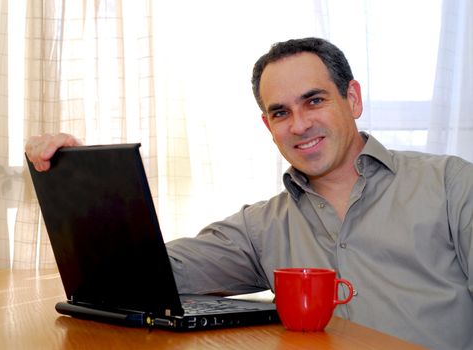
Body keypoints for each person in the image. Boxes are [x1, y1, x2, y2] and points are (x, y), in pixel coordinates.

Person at [25, 38, 473, 350]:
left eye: (314, 101)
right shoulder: (260, 227)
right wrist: (80, 180)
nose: (298, 125)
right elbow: (142, 275)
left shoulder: (451, 184)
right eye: (281, 112)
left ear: (351, 99)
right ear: (268, 126)